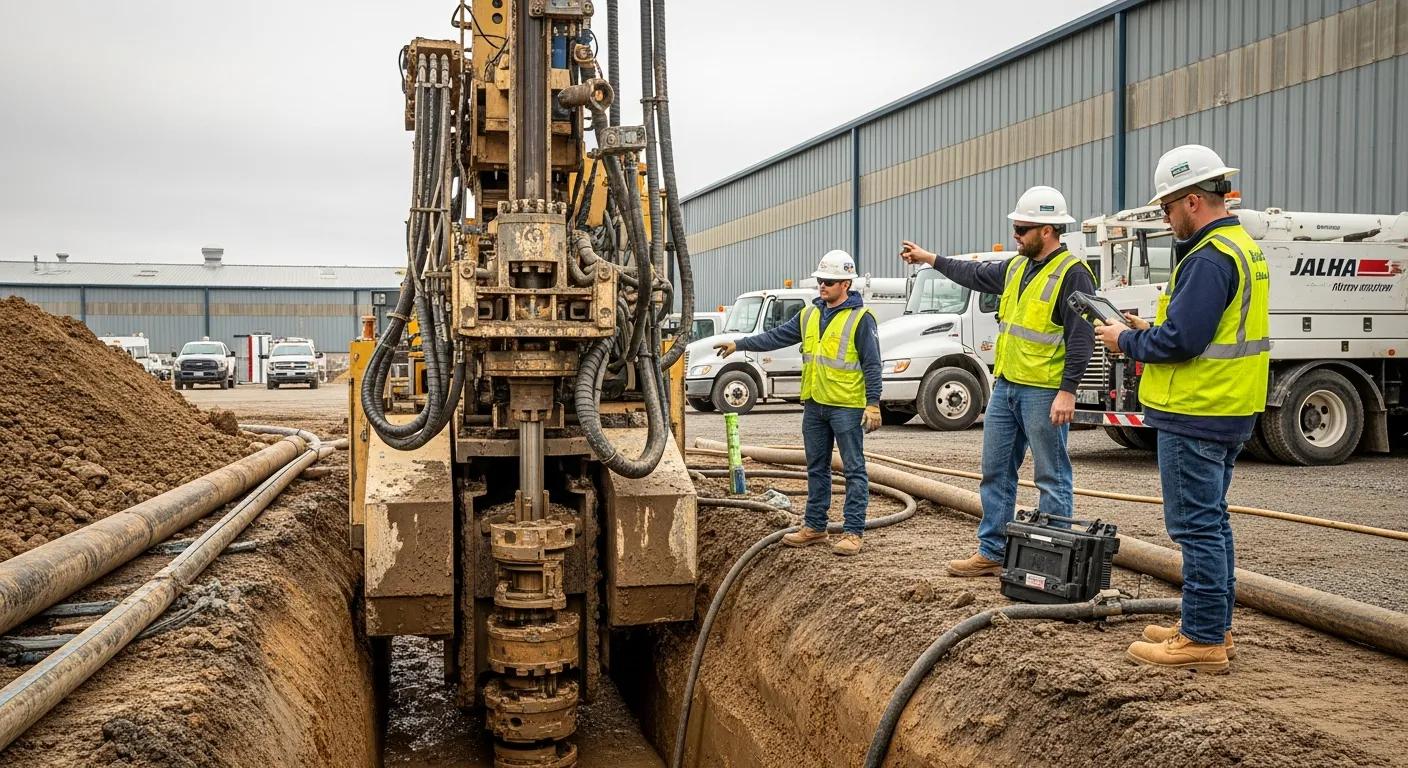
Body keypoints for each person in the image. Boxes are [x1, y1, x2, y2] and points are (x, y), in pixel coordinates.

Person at [1095, 145, 1269, 673]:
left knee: (1195, 526)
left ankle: (1201, 639)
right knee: (1210, 523)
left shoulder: (1210, 257)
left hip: (1197, 410)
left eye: (1168, 209)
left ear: (1193, 201)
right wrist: (1149, 329)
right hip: (1227, 407)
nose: (1167, 219)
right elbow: (1197, 330)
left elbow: (1186, 342)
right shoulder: (1239, 248)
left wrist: (1126, 341)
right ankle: (1211, 624)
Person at [899, 186, 1095, 577]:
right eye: (1016, 227)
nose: (1016, 235)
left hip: (1043, 391)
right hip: (1006, 386)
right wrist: (930, 259)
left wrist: (1067, 391)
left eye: (1022, 228)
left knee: (1051, 477)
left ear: (1048, 230)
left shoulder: (1073, 274)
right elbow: (972, 273)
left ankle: (1050, 564)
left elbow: (1081, 337)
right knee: (996, 471)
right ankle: (993, 550)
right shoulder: (1017, 267)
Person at [713, 250, 882, 556]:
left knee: (854, 469)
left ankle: (853, 532)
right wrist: (740, 343)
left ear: (846, 284)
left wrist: (873, 403)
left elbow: (873, 364)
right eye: (820, 280)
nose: (822, 286)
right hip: (815, 404)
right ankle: (815, 527)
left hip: (846, 406)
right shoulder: (809, 314)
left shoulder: (860, 319)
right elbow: (775, 337)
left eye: (829, 281)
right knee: (817, 468)